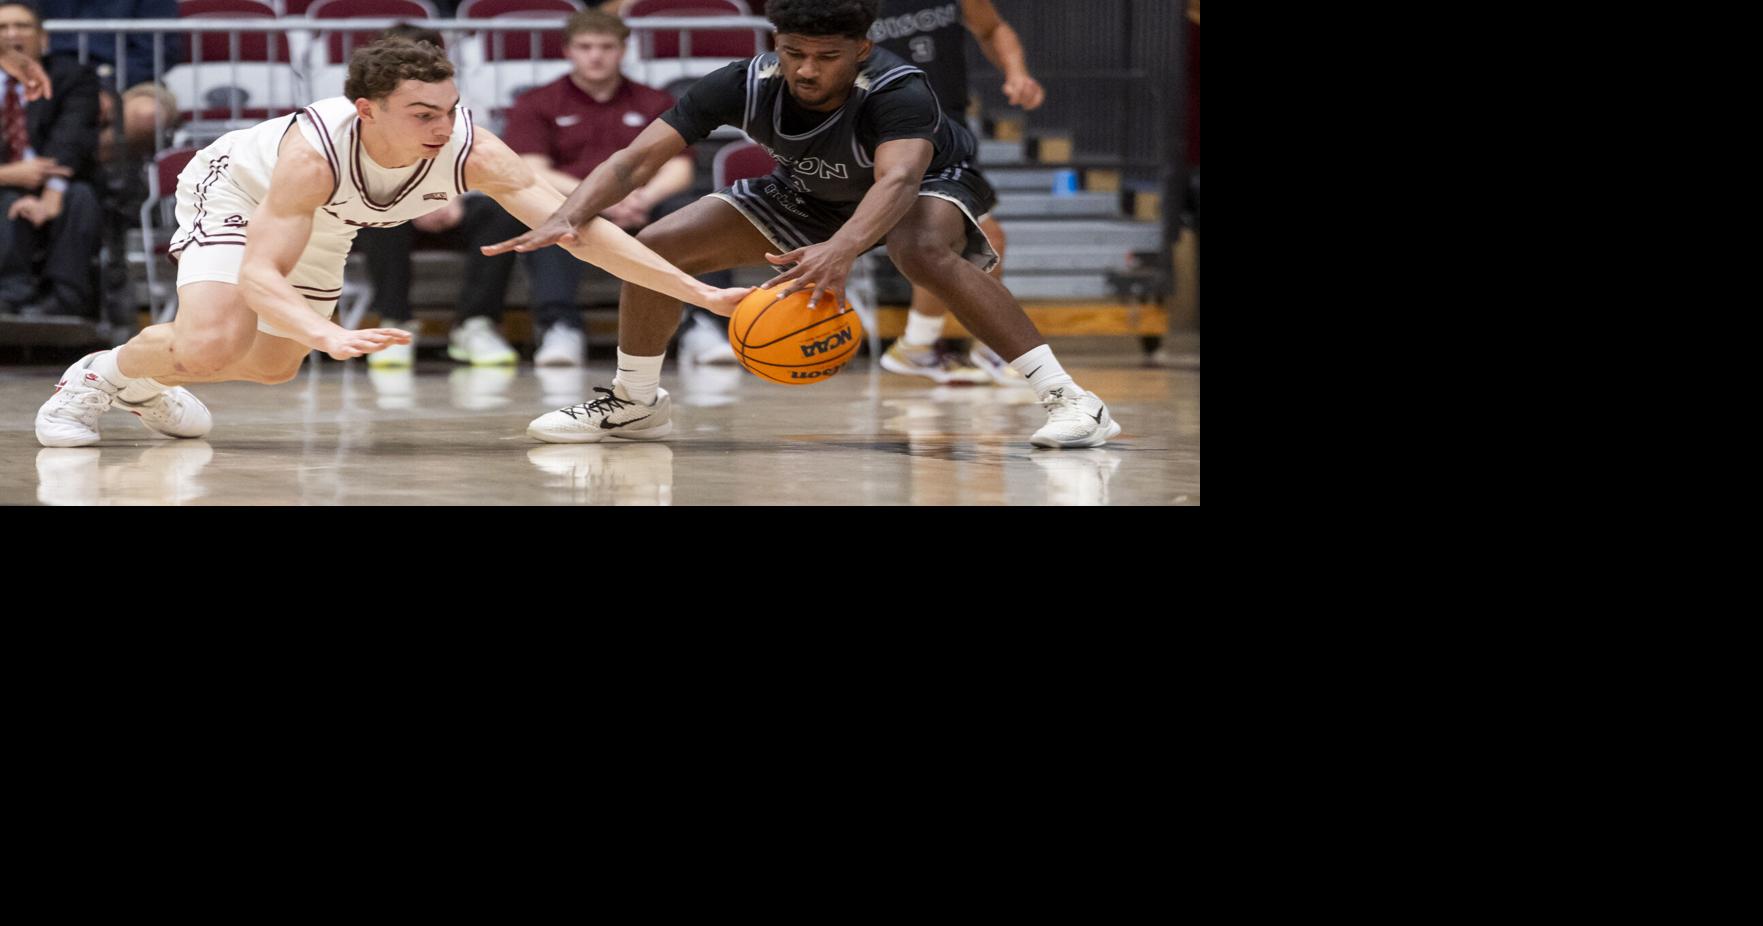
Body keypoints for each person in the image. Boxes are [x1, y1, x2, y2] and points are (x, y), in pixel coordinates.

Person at [34, 36, 750, 447]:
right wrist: (326, 332)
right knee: (215, 342)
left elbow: (578, 228)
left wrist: (696, 291)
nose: (442, 127)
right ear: (367, 111)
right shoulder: (313, 153)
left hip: (330, 217)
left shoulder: (472, 148)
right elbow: (259, 274)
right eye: (421, 113)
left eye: (450, 108)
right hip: (240, 193)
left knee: (275, 367)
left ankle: (144, 380)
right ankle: (98, 377)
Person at [489, 0, 1121, 449]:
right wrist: (568, 214)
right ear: (775, 45)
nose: (808, 70)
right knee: (656, 248)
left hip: (926, 181)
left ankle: (1072, 401)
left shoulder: (898, 89)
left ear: (861, 49)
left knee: (919, 248)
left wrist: (840, 249)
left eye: (826, 56)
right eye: (794, 53)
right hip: (812, 187)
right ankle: (634, 403)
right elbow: (634, 162)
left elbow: (897, 183)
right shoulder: (741, 82)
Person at [364, 11, 697, 369]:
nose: (415, 69)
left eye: (424, 60)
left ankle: (476, 324)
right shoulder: (360, 109)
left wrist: (452, 196)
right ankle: (395, 321)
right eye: (404, 61)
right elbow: (360, 172)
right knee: (379, 214)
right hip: (396, 198)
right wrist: (419, 199)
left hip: (461, 197)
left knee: (504, 213)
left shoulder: (466, 101)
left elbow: (483, 162)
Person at [872, 0, 1042, 385]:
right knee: (973, 239)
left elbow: (993, 28)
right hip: (890, 132)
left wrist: (1017, 73)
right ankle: (977, 348)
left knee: (970, 242)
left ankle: (921, 348)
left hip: (949, 130)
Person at [1, 1, 101, 319]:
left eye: (22, 26)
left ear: (43, 38)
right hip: (4, 177)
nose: (11, 34)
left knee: (81, 197)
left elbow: (73, 135)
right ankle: (8, 299)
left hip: (59, 178)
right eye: (2, 28)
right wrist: (9, 174)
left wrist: (52, 192)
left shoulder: (73, 76)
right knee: (6, 199)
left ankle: (65, 303)